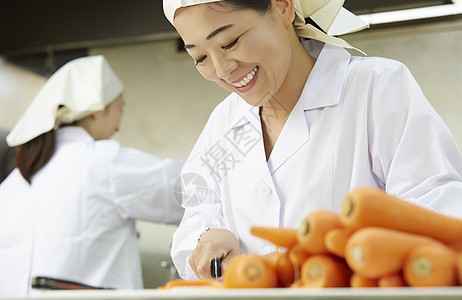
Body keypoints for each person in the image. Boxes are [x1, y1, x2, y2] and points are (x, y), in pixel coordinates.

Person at [163, 0, 462, 281]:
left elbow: (438, 211)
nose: (221, 70)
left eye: (230, 43)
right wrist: (209, 236)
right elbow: (198, 210)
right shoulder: (225, 122)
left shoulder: (375, 88)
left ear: (282, 6)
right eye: (200, 57)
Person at [0, 55, 185, 297]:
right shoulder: (102, 162)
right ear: (97, 111)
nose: (120, 119)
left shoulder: (14, 183)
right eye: (121, 105)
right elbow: (184, 189)